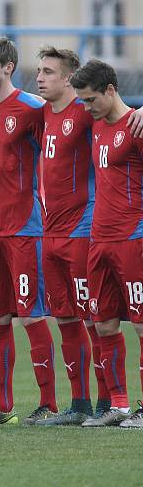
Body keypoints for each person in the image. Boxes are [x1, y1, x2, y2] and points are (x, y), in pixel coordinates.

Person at [0, 37, 53, 425]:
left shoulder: (34, 108)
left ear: (8, 68)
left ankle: (49, 403)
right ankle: (2, 408)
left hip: (25, 228)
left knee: (31, 316)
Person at [33, 47, 110, 425]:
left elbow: (120, 116)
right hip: (50, 230)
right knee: (64, 319)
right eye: (39, 71)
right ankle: (77, 404)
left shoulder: (86, 112)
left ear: (69, 78)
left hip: (82, 228)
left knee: (95, 319)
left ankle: (108, 401)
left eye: (48, 71)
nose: (40, 77)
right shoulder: (42, 112)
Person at [70, 59, 143, 428]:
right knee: (104, 324)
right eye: (82, 101)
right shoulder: (96, 123)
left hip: (133, 239)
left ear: (111, 90)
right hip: (99, 240)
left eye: (91, 99)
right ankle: (118, 405)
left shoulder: (137, 126)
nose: (86, 107)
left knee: (142, 325)